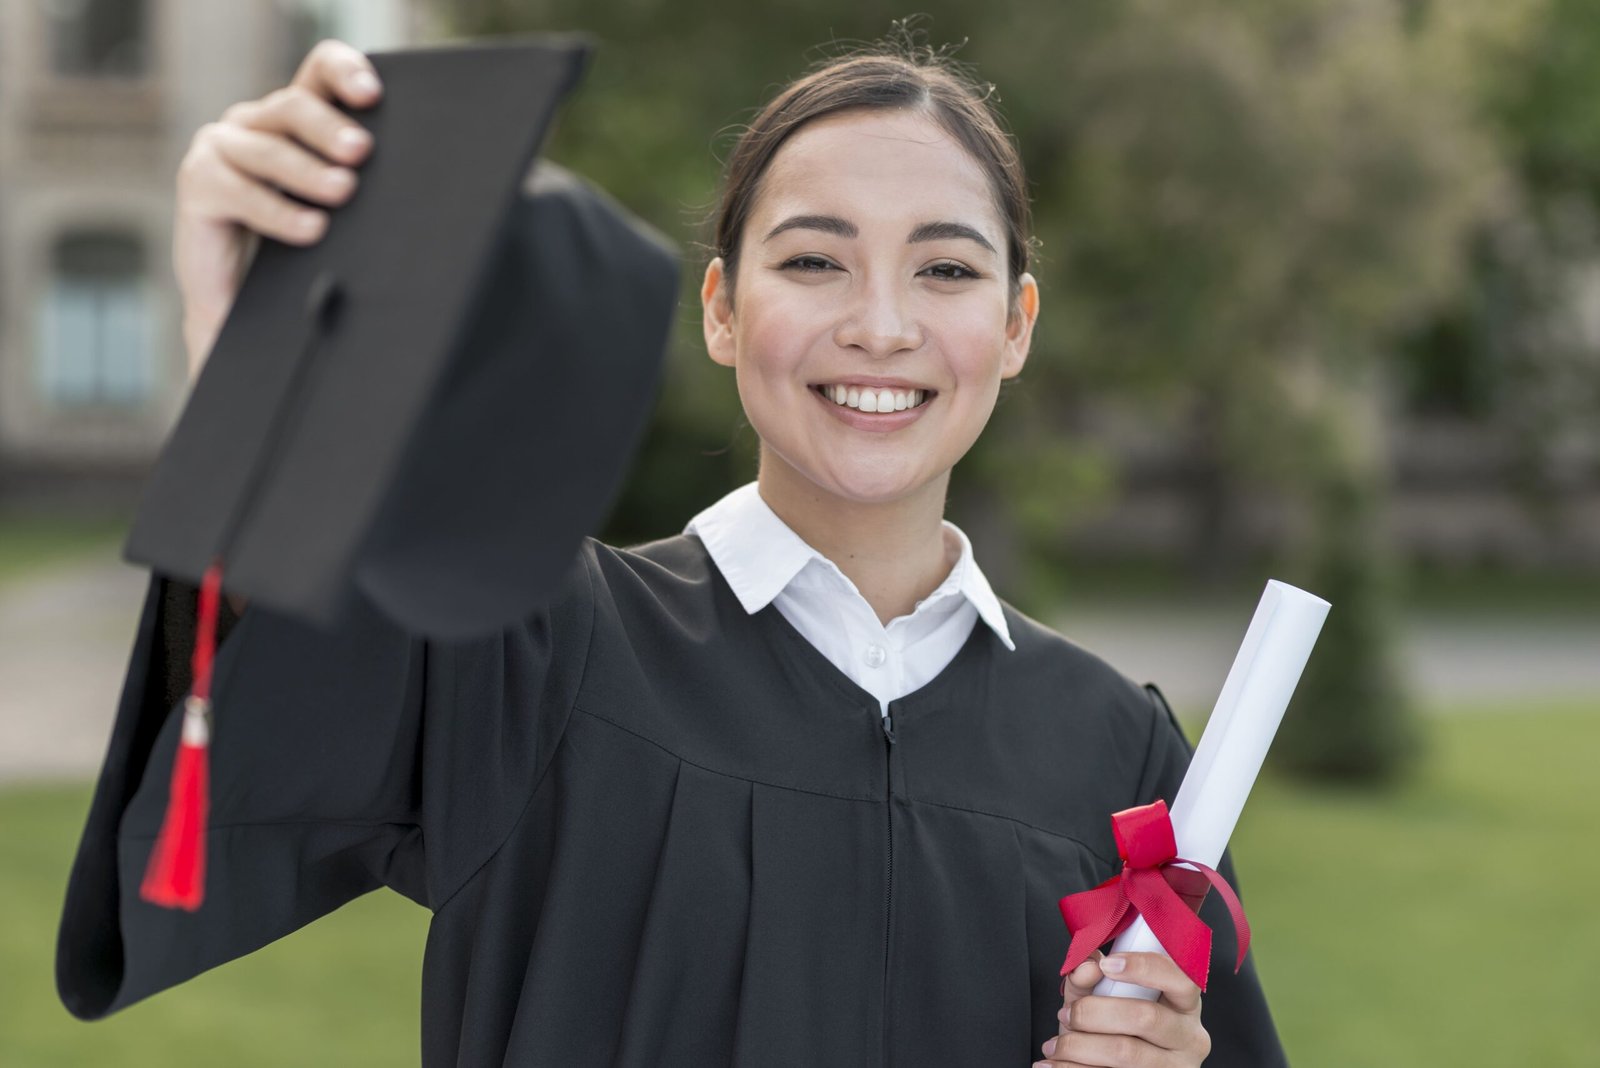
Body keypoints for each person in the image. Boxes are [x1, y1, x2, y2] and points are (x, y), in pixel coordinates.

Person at [57, 33, 1289, 1068]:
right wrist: (254, 353)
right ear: (719, 309)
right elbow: (228, 768)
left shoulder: (1116, 760)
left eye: (947, 269)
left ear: (1014, 326)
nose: (880, 324)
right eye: (812, 259)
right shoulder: (524, 648)